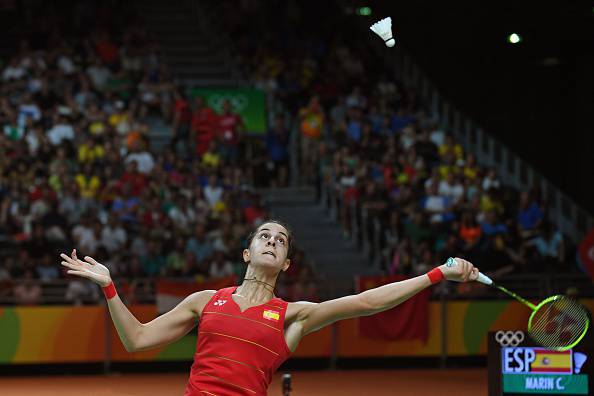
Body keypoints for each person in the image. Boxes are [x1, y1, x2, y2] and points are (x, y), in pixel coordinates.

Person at [60, 220, 479, 395]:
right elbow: (136, 341)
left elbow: (367, 302)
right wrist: (110, 287)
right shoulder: (206, 301)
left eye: (280, 240)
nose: (272, 240)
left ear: (287, 263)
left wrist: (438, 273)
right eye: (264, 235)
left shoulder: (292, 316)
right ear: (247, 253)